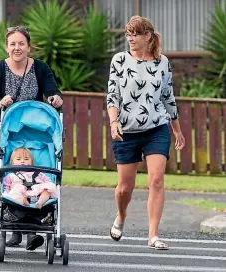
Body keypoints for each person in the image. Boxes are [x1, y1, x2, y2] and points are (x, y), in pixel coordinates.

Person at [106, 16, 185, 250]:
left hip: (156, 128)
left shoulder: (162, 62)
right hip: (126, 131)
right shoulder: (119, 60)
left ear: (147, 36)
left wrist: (177, 130)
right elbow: (112, 96)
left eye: (135, 34)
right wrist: (113, 122)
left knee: (157, 179)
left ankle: (153, 235)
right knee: (124, 188)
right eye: (128, 34)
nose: (130, 38)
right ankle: (121, 216)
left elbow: (168, 97)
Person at [0, 25, 63, 249]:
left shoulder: (40, 68)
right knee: (11, 180)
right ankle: (15, 231)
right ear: (6, 47)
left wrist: (55, 99)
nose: (17, 48)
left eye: (21, 44)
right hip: (8, 133)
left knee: (34, 179)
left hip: (35, 133)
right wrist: (0, 102)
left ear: (28, 46)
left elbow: (53, 91)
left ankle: (32, 233)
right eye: (12, 44)